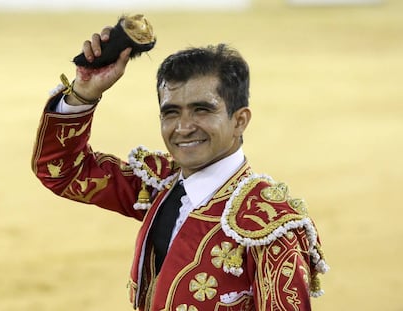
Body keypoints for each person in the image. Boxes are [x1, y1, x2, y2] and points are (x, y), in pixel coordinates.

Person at [31, 26, 329, 311]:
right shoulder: (160, 183)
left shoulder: (270, 225)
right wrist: (83, 92)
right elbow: (64, 170)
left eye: (202, 110)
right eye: (171, 112)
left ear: (240, 120)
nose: (183, 128)